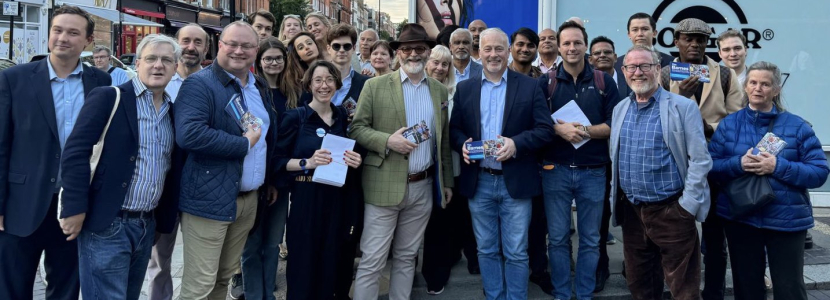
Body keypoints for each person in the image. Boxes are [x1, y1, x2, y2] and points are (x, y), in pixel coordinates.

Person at [59, 34, 181, 300]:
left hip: (146, 225)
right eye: (151, 59)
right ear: (137, 64)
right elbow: (75, 153)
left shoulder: (173, 111)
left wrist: (164, 222)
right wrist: (74, 207)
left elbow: (170, 169)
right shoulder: (108, 97)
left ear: (176, 67)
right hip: (107, 223)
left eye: (166, 60)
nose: (158, 65)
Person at [0, 5, 110, 300]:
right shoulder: (15, 79)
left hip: (74, 205)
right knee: (10, 289)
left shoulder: (101, 83)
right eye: (57, 30)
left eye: (73, 32)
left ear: (87, 41)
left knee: (65, 289)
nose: (63, 38)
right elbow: (1, 145)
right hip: (20, 204)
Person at [174, 21, 278, 300]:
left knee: (223, 278)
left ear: (256, 50)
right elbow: (190, 134)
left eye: (246, 46)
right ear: (219, 45)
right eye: (232, 44)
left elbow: (265, 138)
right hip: (208, 199)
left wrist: (266, 180)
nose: (238, 51)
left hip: (247, 201)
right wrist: (242, 144)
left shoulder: (258, 85)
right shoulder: (200, 84)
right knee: (199, 287)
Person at [349, 23, 454, 300]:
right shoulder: (374, 86)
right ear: (398, 53)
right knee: (373, 260)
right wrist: (387, 141)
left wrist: (447, 182)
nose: (413, 54)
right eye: (406, 49)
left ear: (428, 52)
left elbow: (441, 142)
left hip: (423, 186)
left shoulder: (439, 91)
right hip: (383, 185)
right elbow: (357, 128)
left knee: (407, 257)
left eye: (419, 48)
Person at [708, 61, 829, 300]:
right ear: (746, 86)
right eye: (753, 82)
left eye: (765, 84)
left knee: (789, 289)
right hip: (742, 218)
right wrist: (737, 164)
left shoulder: (797, 126)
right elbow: (711, 168)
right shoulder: (729, 124)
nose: (758, 88)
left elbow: (819, 172)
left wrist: (778, 166)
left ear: (776, 90)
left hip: (786, 220)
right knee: (748, 289)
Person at [450, 28, 554, 300]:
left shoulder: (530, 86)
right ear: (479, 52)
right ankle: (495, 296)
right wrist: (461, 144)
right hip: (480, 180)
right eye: (487, 49)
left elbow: (545, 129)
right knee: (485, 249)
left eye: (499, 48)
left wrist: (517, 144)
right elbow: (455, 130)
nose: (493, 54)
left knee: (517, 251)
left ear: (508, 52)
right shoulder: (465, 88)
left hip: (516, 182)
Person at [610, 45, 712, 300]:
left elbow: (700, 160)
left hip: (672, 211)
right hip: (633, 212)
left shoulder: (682, 107)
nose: (638, 72)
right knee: (640, 286)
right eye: (631, 67)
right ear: (623, 71)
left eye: (645, 66)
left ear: (657, 69)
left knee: (684, 290)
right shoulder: (620, 108)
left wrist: (687, 206)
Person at [659, 19, 743, 300]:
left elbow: (736, 122)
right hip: (675, 164)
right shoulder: (663, 75)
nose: (695, 44)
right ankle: (678, 291)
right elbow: (656, 122)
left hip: (714, 162)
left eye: (701, 39)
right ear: (676, 41)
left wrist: (708, 128)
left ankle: (714, 293)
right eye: (688, 38)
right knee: (674, 234)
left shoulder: (725, 74)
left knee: (715, 237)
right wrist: (681, 100)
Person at [537, 21, 620, 300]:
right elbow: (536, 123)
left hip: (593, 172)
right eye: (567, 43)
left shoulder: (603, 81)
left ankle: (583, 294)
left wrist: (583, 130)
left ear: (586, 46)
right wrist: (557, 128)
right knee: (558, 239)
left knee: (591, 239)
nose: (572, 48)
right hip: (554, 170)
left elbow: (613, 125)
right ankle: (562, 293)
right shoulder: (545, 82)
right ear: (559, 47)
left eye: (577, 43)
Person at [276, 60, 364, 300]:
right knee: (304, 264)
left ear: (336, 83)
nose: (324, 85)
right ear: (309, 85)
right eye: (318, 80)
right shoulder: (296, 117)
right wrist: (308, 162)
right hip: (307, 199)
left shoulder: (343, 118)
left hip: (338, 199)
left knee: (335, 260)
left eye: (329, 80)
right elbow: (278, 161)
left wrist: (356, 161)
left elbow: (349, 157)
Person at [145, 23, 209, 300]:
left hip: (201, 183)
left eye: (198, 42)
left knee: (203, 261)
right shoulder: (158, 80)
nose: (191, 47)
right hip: (164, 182)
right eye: (186, 40)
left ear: (206, 48)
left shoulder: (212, 83)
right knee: (159, 258)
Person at [230, 37, 291, 300]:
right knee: (250, 245)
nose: (274, 62)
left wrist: (277, 180)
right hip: (254, 179)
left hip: (280, 179)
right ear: (259, 60)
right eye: (268, 58)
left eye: (279, 57)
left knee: (272, 243)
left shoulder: (294, 92)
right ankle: (254, 294)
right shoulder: (252, 91)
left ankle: (268, 293)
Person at [421, 44, 459, 294]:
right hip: (420, 164)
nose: (440, 68)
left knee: (440, 223)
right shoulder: (417, 90)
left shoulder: (456, 93)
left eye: (445, 64)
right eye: (435, 62)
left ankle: (436, 274)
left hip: (448, 166)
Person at [284, 32, 321, 109]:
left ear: (316, 46)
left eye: (309, 43)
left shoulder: (332, 71)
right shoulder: (296, 83)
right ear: (299, 56)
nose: (307, 47)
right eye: (301, 47)